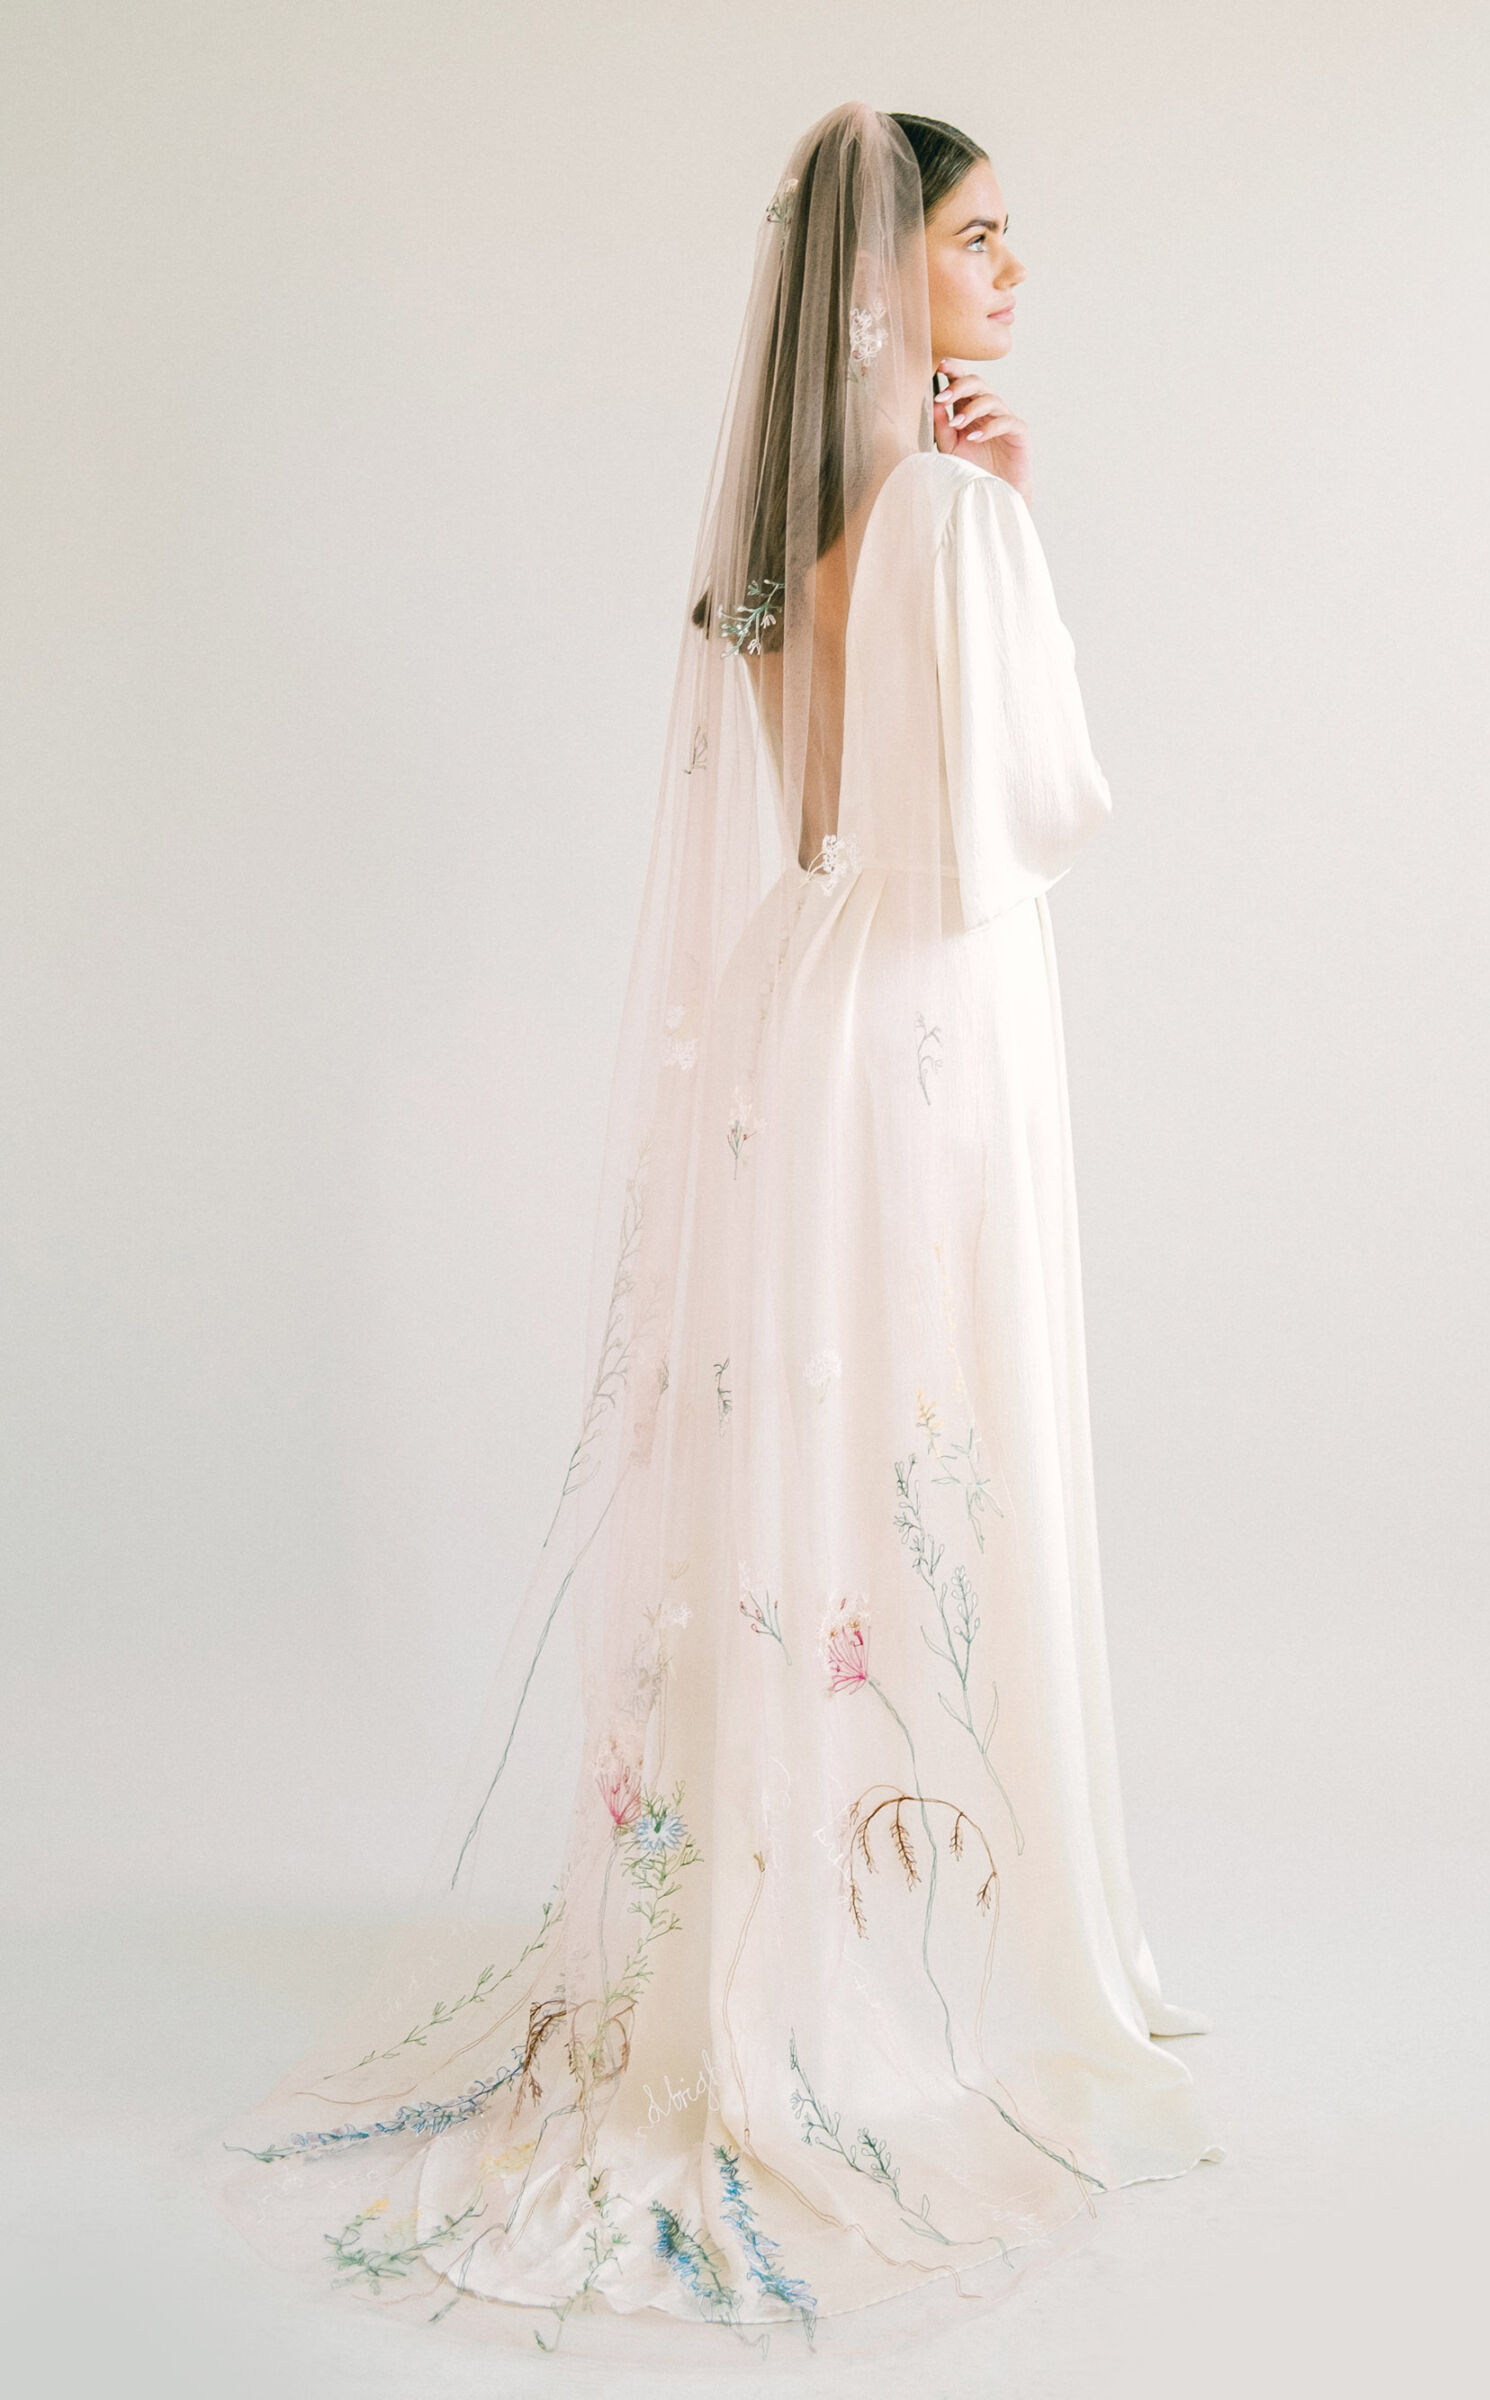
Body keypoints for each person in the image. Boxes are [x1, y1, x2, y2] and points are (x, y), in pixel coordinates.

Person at [220, 101, 1218, 2356]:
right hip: (940, 1035)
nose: (1013, 272)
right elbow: (1027, 820)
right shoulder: (957, 516)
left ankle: (787, 1914)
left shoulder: (786, 537)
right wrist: (1025, 546)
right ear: (896, 285)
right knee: (934, 1430)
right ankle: (914, 1949)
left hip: (806, 1012)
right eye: (984, 240)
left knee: (817, 1458)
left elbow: (812, 795)